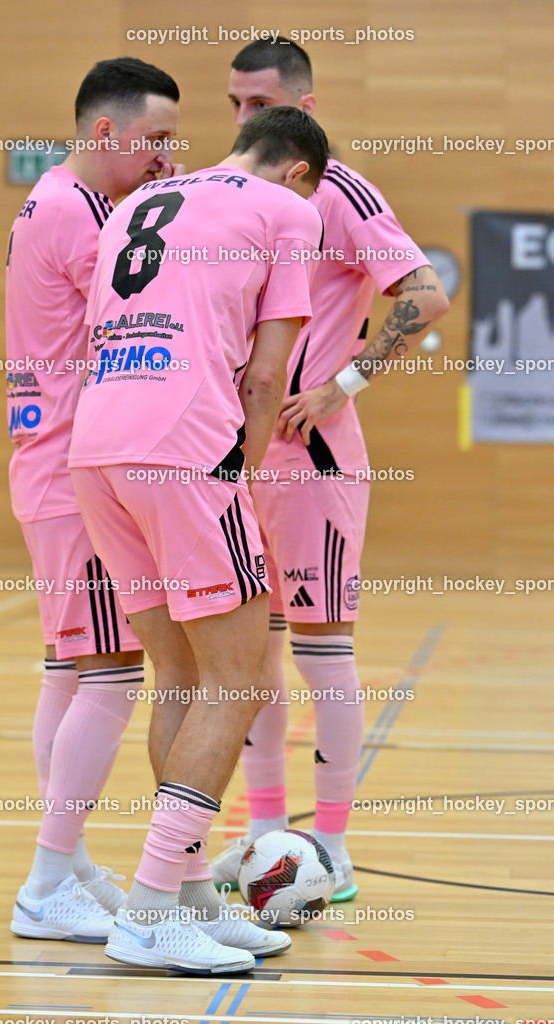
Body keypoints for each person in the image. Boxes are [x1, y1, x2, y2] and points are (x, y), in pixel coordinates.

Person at [68, 106, 328, 973]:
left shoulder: (148, 199)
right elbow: (265, 374)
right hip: (184, 450)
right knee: (243, 675)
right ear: (300, 171)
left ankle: (184, 897)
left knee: (180, 673)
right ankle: (147, 911)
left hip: (96, 447)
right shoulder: (290, 209)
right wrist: (240, 479)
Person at [210, 38, 449, 901]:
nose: (240, 119)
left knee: (320, 652)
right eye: (232, 102)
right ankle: (268, 832)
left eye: (257, 103)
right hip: (235, 463)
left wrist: (340, 385)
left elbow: (424, 295)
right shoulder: (224, 192)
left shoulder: (339, 194)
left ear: (301, 110)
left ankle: (335, 844)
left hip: (312, 463)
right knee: (250, 655)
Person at [5, 57, 184, 942]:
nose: (164, 158)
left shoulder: (69, 204)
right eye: (154, 141)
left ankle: (64, 866)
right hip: (74, 468)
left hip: (54, 464)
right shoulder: (82, 220)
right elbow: (150, 308)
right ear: (105, 133)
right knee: (112, 672)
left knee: (70, 669)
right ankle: (46, 880)